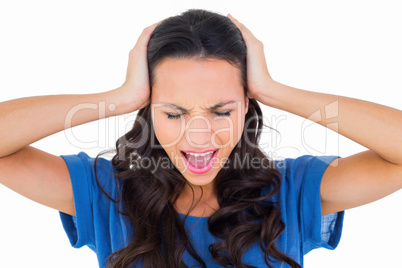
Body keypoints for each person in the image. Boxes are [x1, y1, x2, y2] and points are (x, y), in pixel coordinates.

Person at [0, 8, 401, 268]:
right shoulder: (106, 193)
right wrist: (118, 98)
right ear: (149, 108)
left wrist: (274, 90)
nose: (199, 135)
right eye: (174, 113)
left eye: (221, 111)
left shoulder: (292, 190)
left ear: (247, 104)